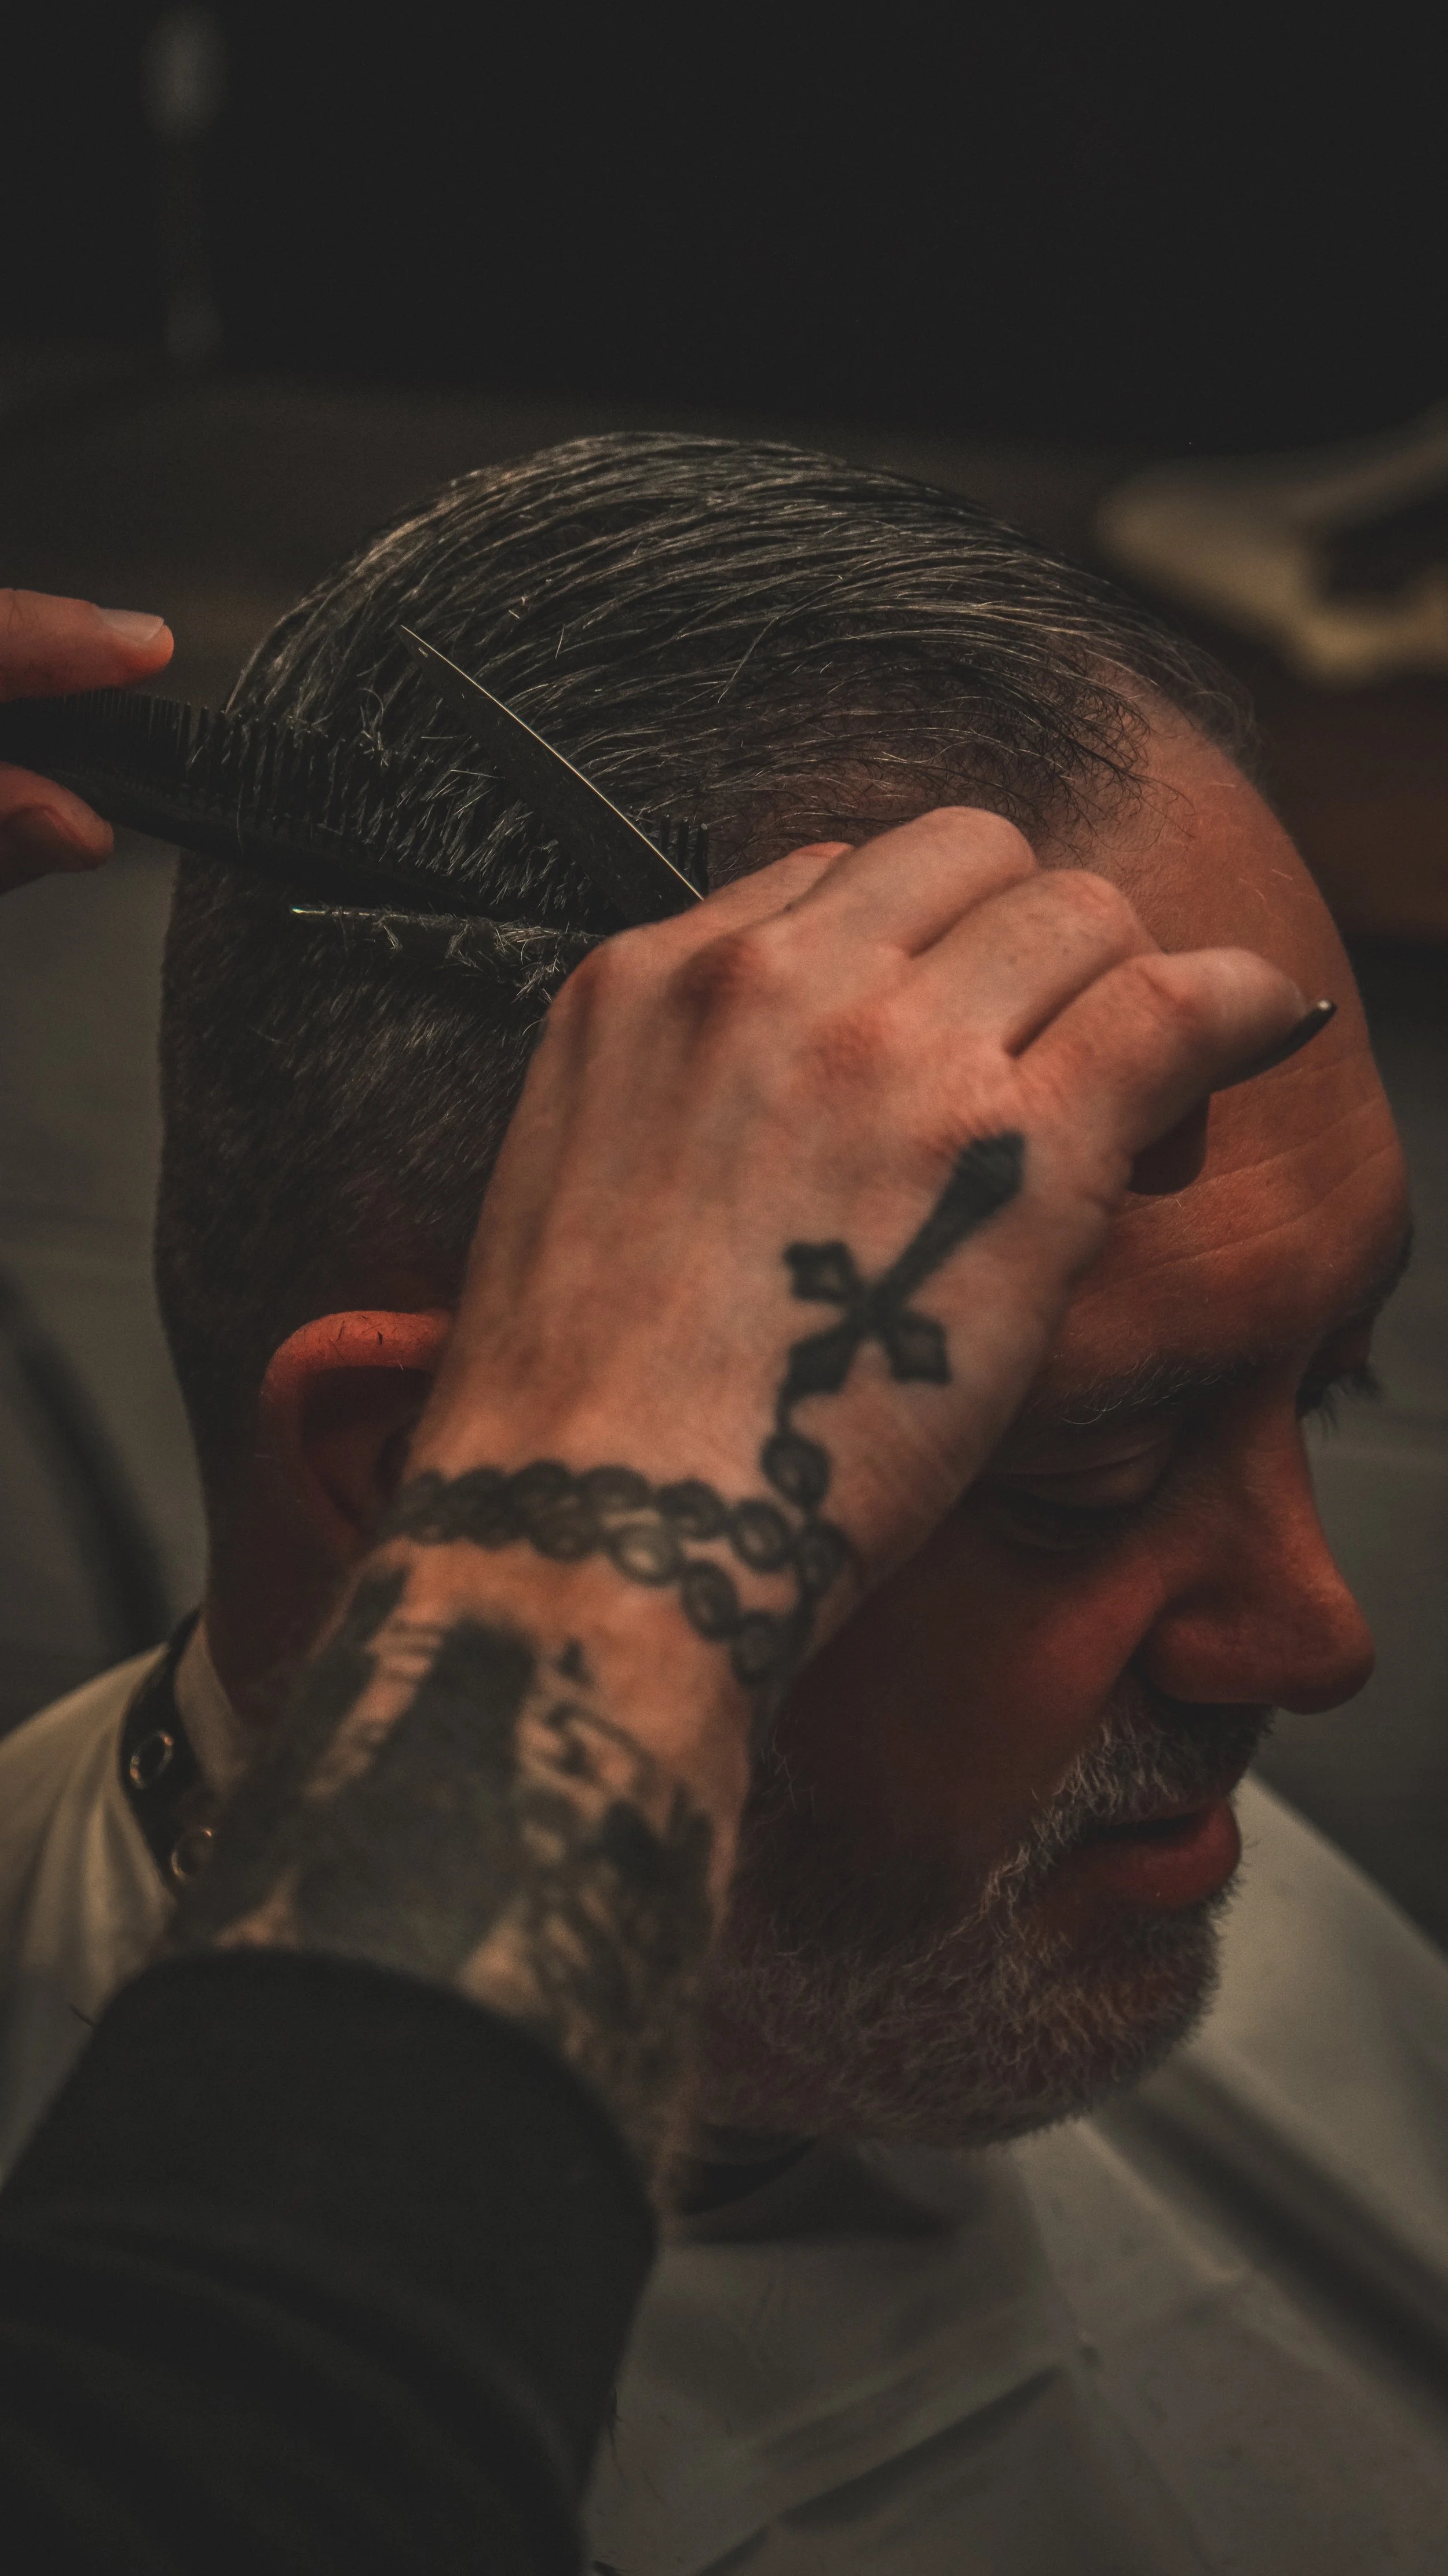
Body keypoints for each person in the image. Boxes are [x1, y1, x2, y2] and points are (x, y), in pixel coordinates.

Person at [0, 436, 1441, 2570]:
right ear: (431, 1509)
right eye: (1076, 1479)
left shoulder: (1145, 1891)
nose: (1317, 1634)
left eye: (1330, 1387)